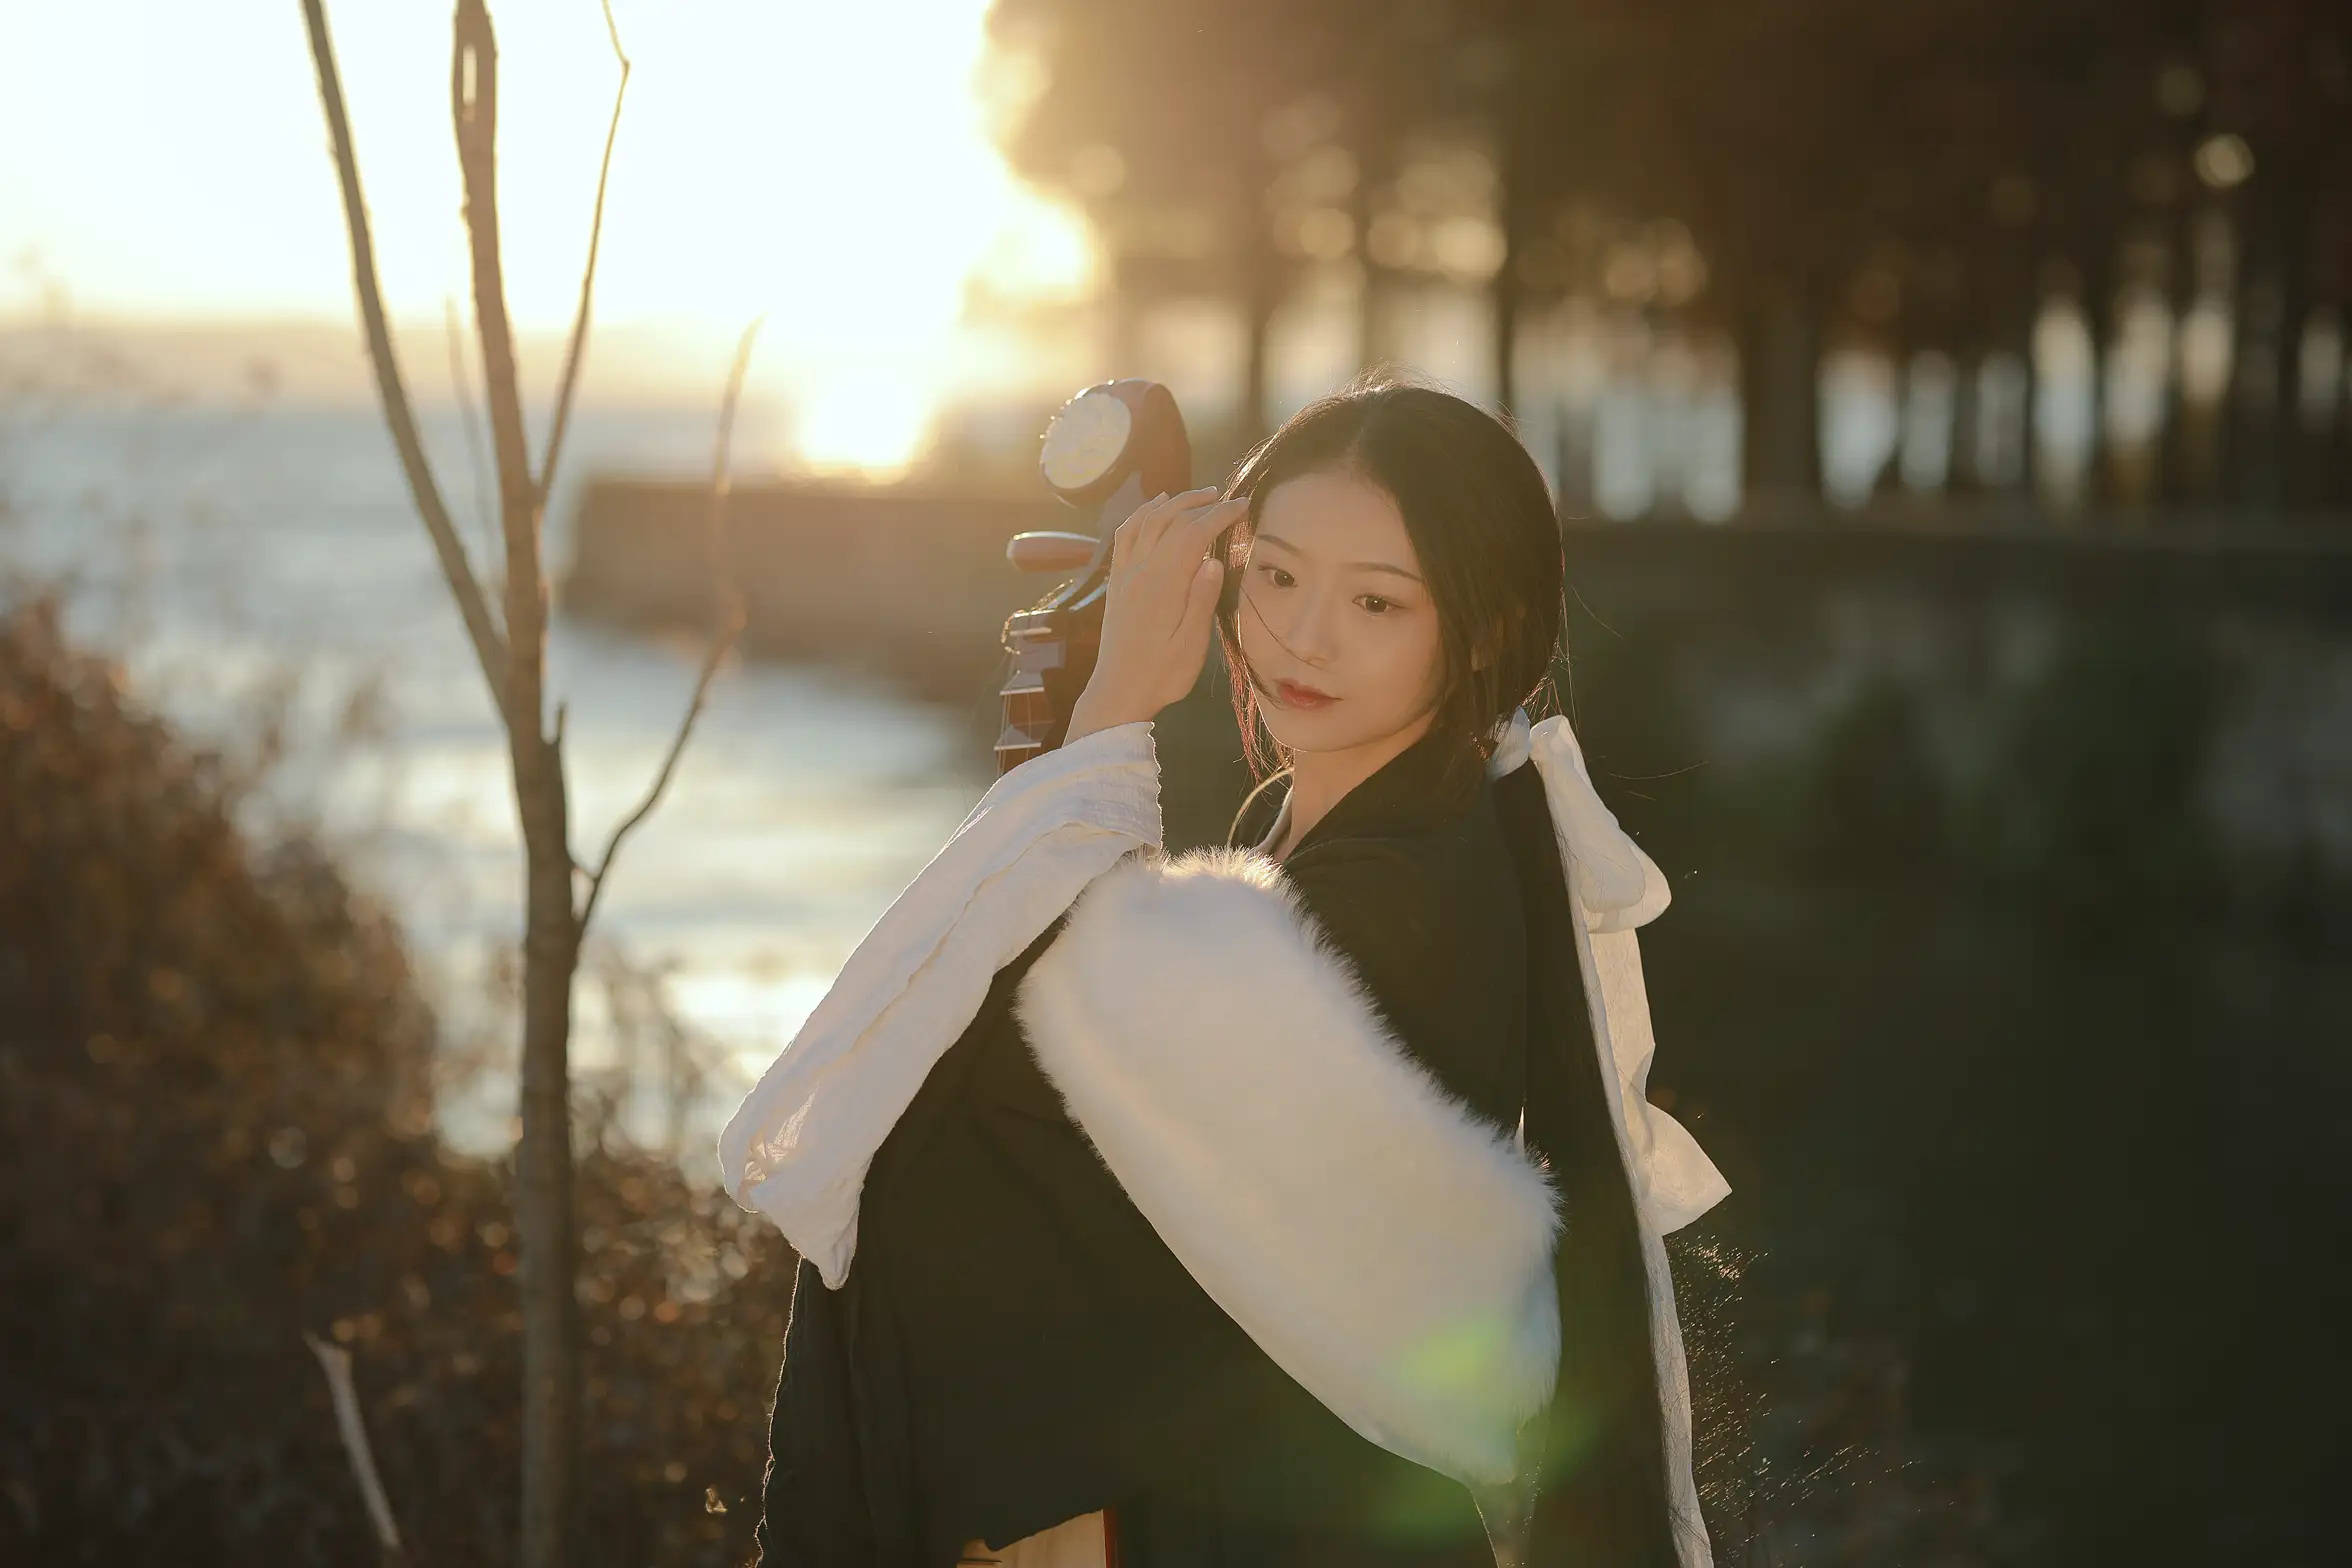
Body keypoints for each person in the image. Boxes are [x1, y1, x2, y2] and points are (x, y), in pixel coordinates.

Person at [718, 380, 1728, 1567]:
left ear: (1482, 626)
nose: (1304, 637)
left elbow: (1006, 1093)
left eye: (1377, 600)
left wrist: (1109, 715)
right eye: (1278, 574)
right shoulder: (1313, 826)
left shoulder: (1393, 895)